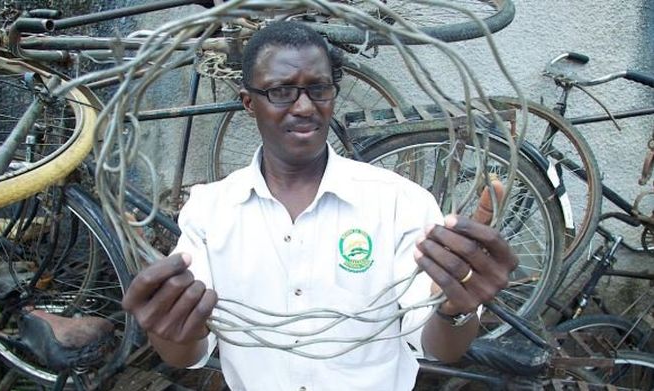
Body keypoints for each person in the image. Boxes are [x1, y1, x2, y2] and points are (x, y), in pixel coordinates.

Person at [122, 21, 517, 391]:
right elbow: (188, 354)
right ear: (248, 102)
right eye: (281, 91)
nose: (305, 107)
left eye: (318, 89)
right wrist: (164, 326)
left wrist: (455, 307)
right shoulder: (211, 210)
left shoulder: (398, 202)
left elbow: (440, 348)